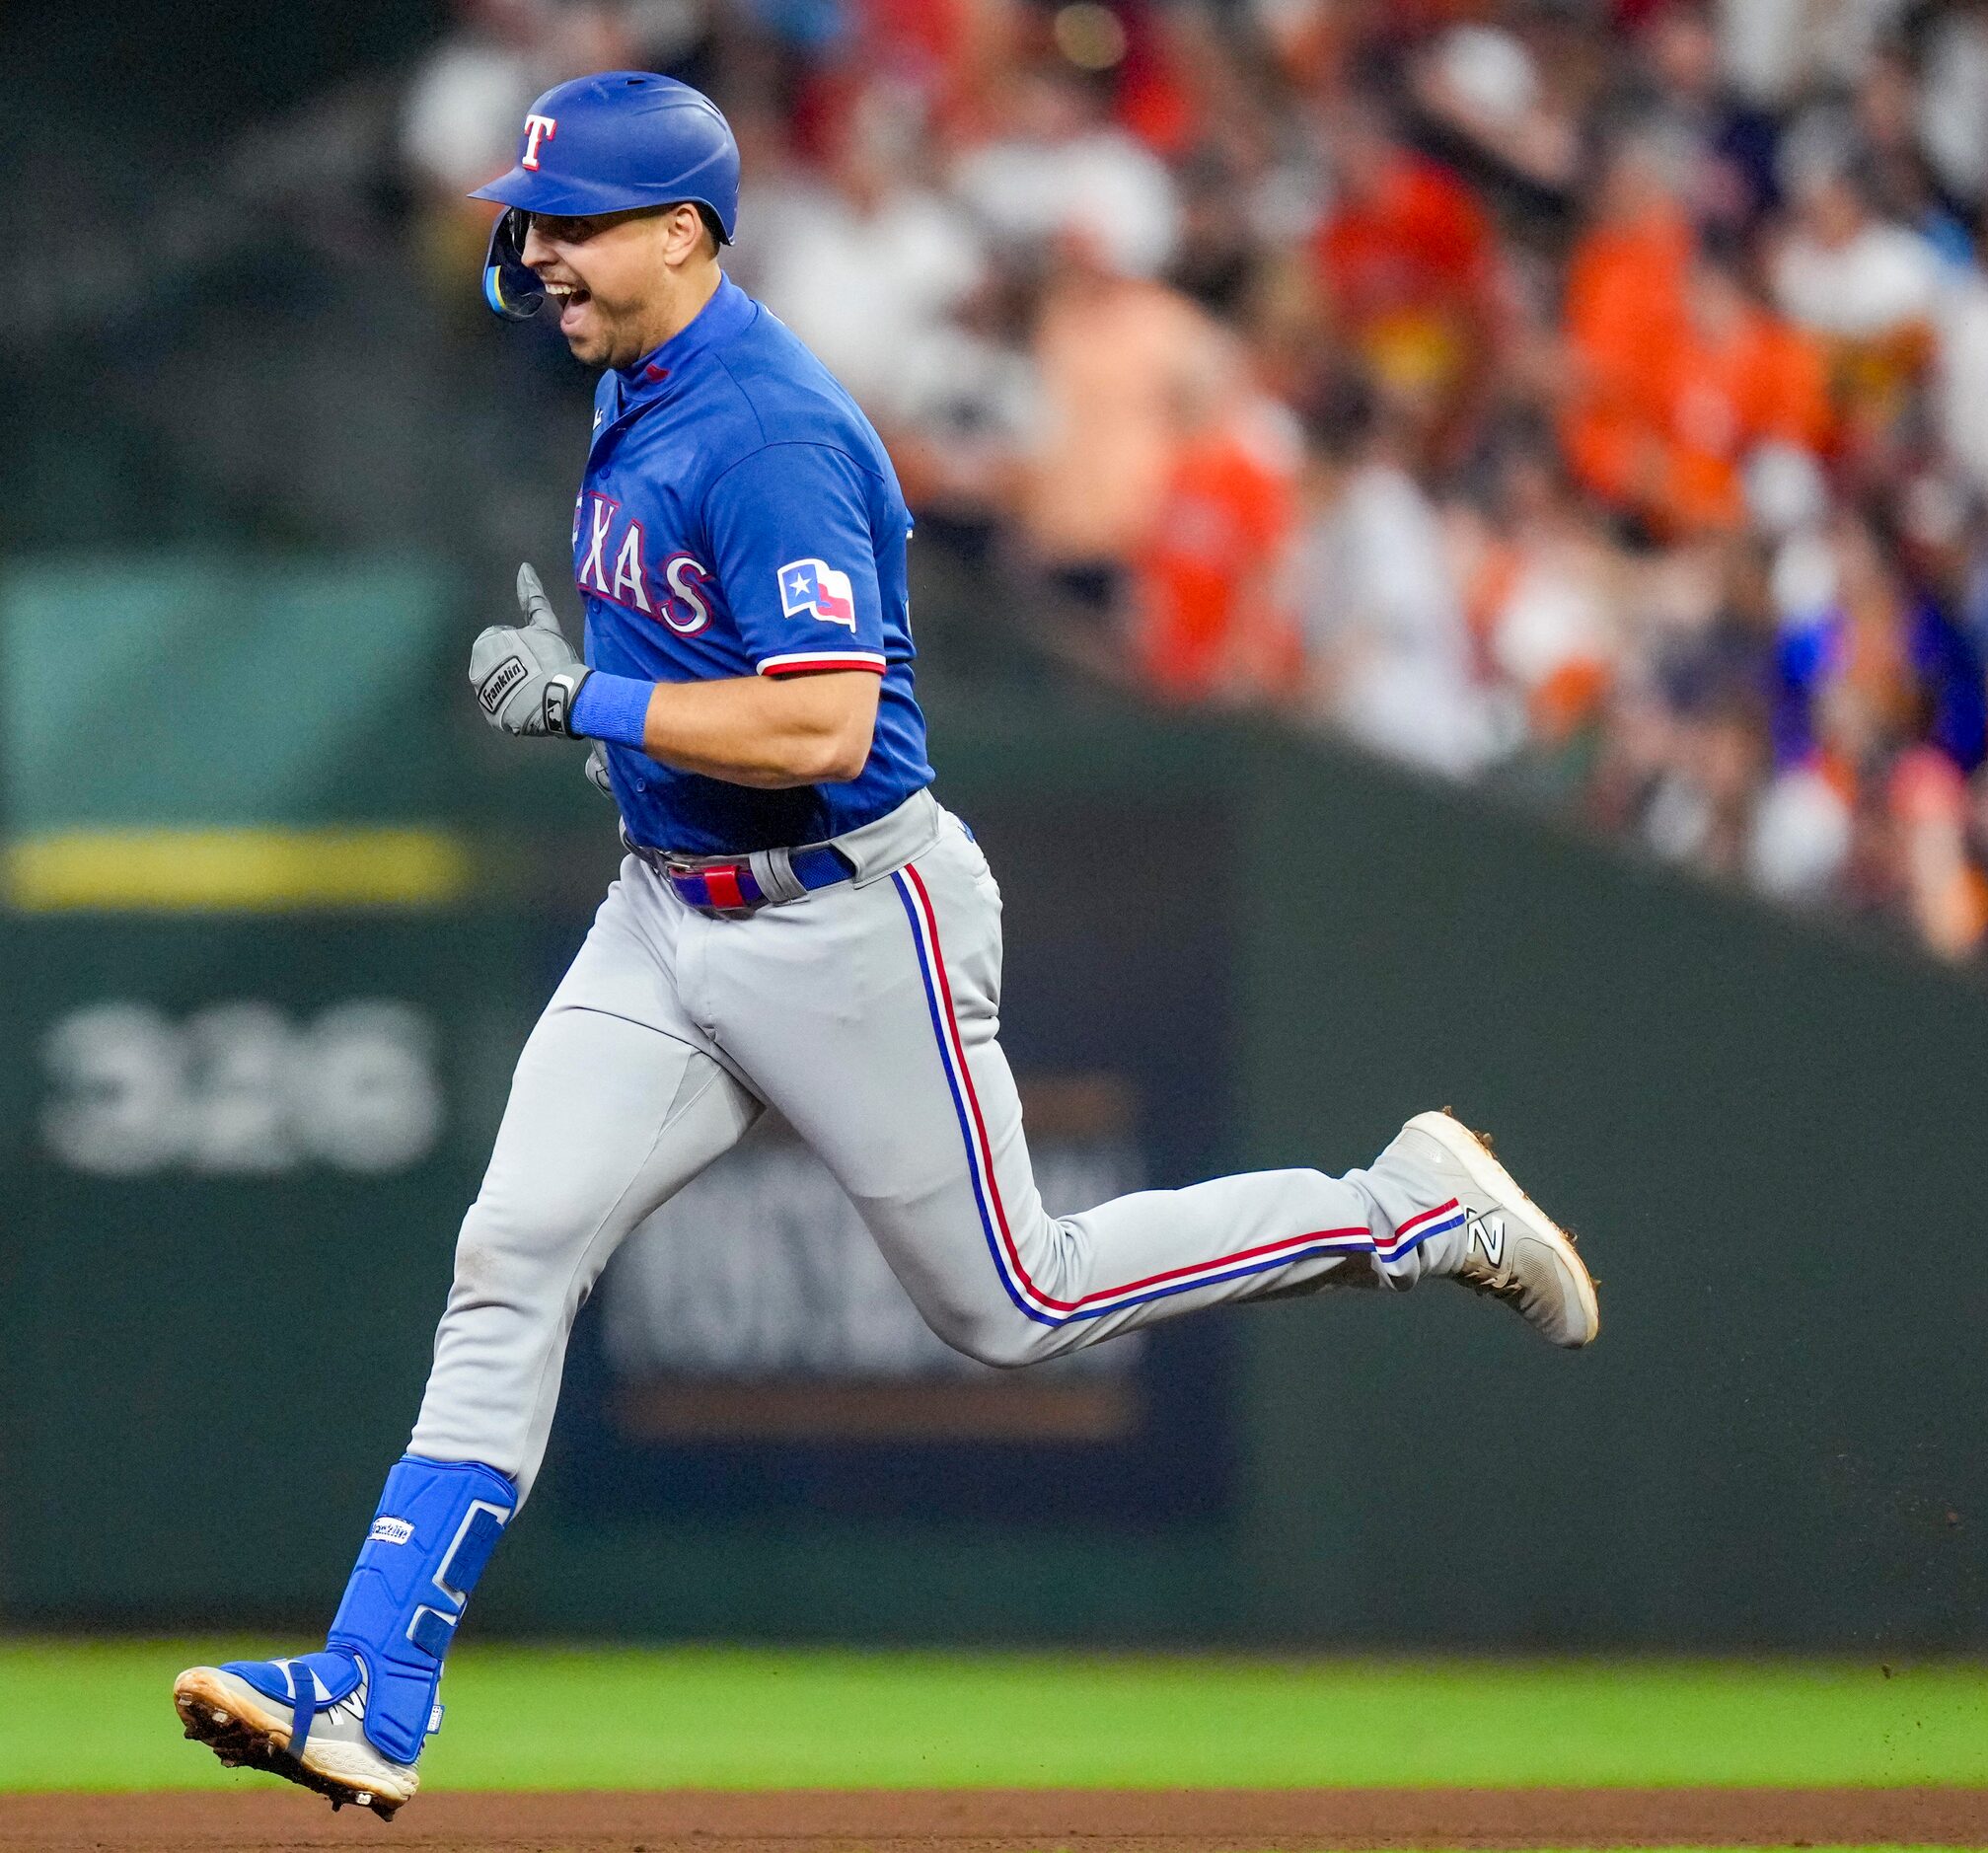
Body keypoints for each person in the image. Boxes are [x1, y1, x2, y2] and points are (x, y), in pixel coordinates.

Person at [168, 73, 1598, 1820]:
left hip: (845, 912)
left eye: (571, 222)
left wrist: (589, 697)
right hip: (664, 914)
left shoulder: (764, 426)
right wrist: (619, 687)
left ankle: (1407, 1207)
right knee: (513, 1250)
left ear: (685, 232)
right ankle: (375, 1680)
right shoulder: (638, 375)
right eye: (531, 219)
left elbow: (826, 725)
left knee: (1022, 1303)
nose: (534, 252)